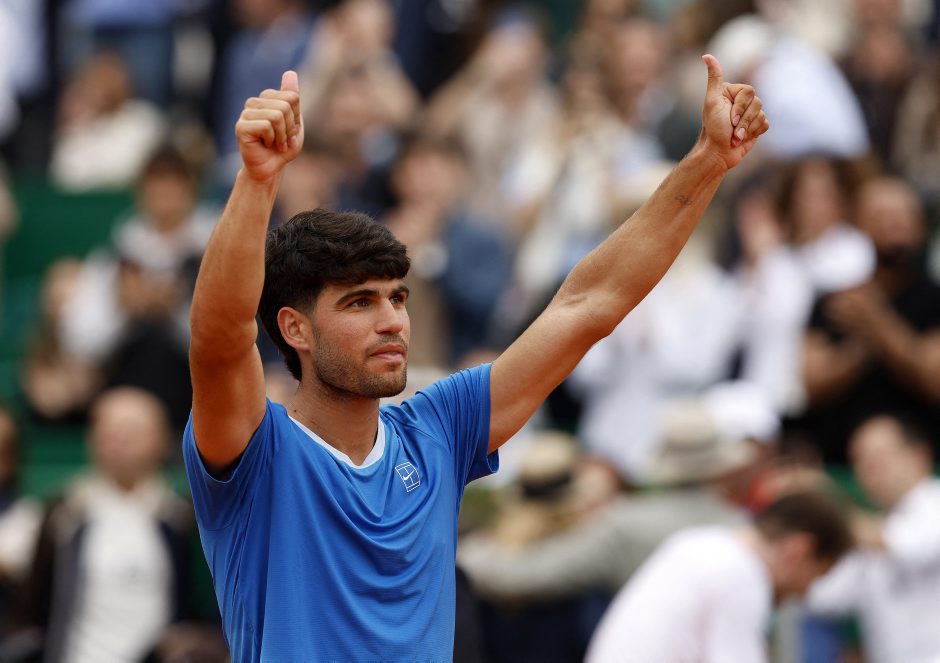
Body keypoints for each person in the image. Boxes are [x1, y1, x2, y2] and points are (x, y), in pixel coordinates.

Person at [182, 54, 768, 659]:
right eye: (359, 303)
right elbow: (220, 337)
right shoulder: (256, 450)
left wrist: (709, 159)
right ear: (295, 329)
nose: (391, 321)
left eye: (398, 298)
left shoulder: (438, 429)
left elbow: (589, 303)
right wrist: (259, 180)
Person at [585, 492, 853, 663]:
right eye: (816, 576)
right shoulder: (742, 575)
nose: (806, 593)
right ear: (799, 550)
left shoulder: (700, 542)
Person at [806, 414, 940, 663]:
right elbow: (824, 598)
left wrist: (822, 499)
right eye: (859, 460)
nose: (870, 467)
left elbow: (910, 547)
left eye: (880, 455)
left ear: (920, 456)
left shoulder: (934, 501)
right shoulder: (872, 533)